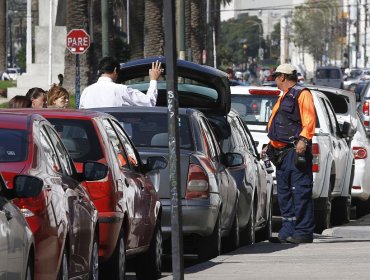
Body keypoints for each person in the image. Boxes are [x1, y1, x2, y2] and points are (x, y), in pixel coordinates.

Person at [263, 63, 316, 244]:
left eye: (276, 77)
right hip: (281, 154)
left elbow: (309, 120)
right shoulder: (284, 96)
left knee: (300, 191)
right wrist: (269, 145)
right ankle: (287, 232)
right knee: (285, 193)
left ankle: (303, 232)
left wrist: (303, 140)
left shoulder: (302, 94)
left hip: (295, 151)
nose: (275, 81)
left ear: (282, 77)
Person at [79, 56, 162, 109]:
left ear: (99, 71)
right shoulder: (121, 90)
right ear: (115, 70)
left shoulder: (86, 91)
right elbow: (149, 103)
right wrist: (153, 80)